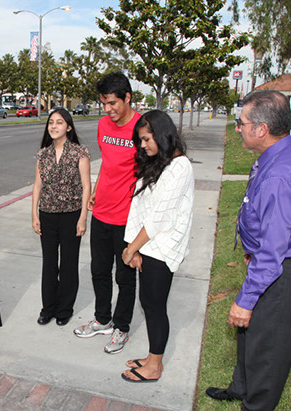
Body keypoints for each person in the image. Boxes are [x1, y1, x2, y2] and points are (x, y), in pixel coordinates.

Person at [207, 90, 291, 411]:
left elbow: (274, 252)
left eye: (240, 123)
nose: (236, 128)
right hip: (273, 259)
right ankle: (241, 388)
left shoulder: (280, 175)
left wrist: (245, 299)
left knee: (268, 345)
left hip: (283, 271)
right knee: (250, 336)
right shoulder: (277, 154)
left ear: (261, 129)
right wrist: (252, 245)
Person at [119, 111, 194, 383]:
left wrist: (130, 249)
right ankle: (152, 357)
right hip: (147, 245)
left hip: (162, 248)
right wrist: (134, 247)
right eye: (140, 140)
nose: (143, 146)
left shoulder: (180, 167)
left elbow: (160, 217)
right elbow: (139, 208)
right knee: (148, 302)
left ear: (162, 134)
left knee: (154, 305)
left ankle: (155, 367)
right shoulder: (159, 163)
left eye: (147, 139)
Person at [73, 72, 141, 354]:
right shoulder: (103, 125)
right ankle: (102, 319)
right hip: (101, 211)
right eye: (104, 103)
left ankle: (122, 328)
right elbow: (110, 166)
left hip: (127, 218)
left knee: (124, 277)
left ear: (127, 98)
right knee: (99, 271)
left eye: (113, 103)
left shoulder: (142, 127)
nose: (108, 109)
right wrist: (96, 192)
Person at [31, 108, 91, 326]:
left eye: (59, 122)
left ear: (69, 127)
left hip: (71, 215)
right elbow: (37, 185)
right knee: (49, 264)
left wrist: (83, 217)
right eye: (51, 123)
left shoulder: (79, 153)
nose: (53, 126)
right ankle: (47, 308)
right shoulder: (42, 154)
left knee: (68, 263)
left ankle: (64, 309)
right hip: (47, 214)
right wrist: (34, 214)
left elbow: (86, 186)